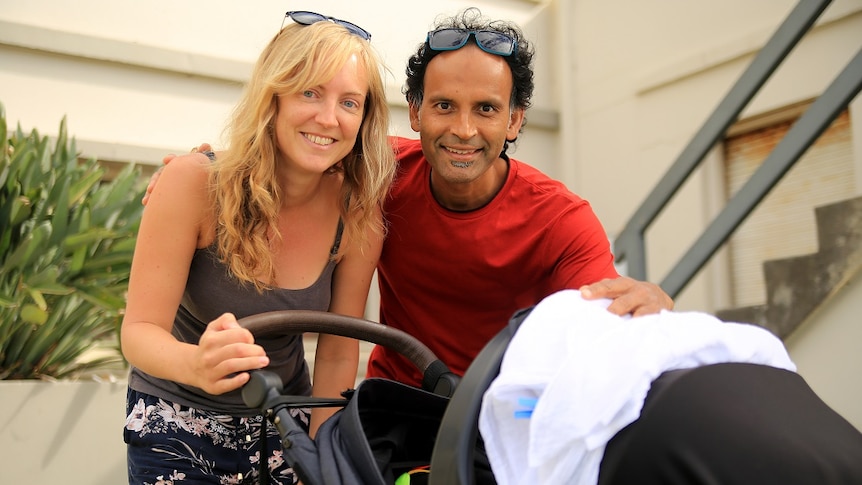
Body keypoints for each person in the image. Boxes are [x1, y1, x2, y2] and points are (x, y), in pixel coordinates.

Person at [146, 8, 672, 390]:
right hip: (393, 411)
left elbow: (604, 327)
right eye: (444, 105)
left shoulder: (562, 220)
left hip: (502, 414)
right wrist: (203, 170)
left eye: (486, 110)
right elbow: (286, 151)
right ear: (415, 113)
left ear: (515, 120)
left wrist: (655, 311)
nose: (463, 130)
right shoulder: (376, 172)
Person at [122, 11, 395, 485]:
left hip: (283, 420)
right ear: (274, 96)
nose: (328, 118)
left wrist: (322, 459)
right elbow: (139, 331)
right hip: (176, 415)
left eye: (350, 102)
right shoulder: (193, 183)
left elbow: (335, 354)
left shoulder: (359, 215)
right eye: (310, 91)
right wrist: (197, 364)